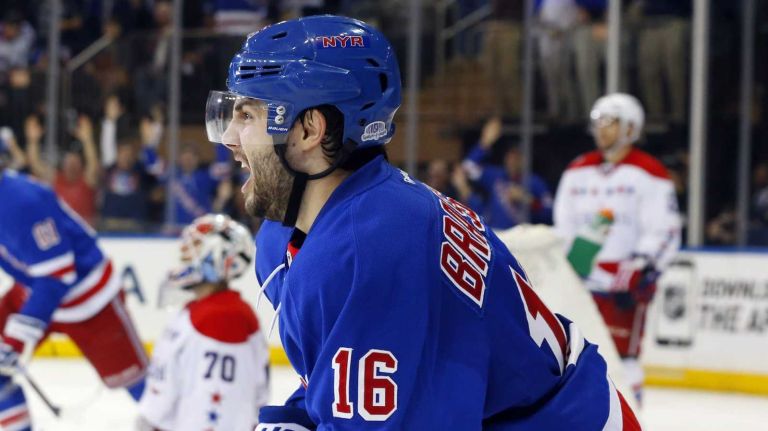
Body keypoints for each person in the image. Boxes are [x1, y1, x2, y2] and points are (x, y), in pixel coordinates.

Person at [210, 15, 640, 429]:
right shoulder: (315, 230)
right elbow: (335, 383)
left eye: (248, 115)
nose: (229, 138)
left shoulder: (375, 250)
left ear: (308, 130)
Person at [0, 147, 147, 431]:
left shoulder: (21, 201)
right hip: (35, 289)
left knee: (140, 386)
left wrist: (14, 342)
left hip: (89, 300)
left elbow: (57, 274)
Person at [553, 93, 682, 404]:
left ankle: (632, 418)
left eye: (610, 122)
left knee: (624, 358)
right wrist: (571, 264)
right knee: (574, 356)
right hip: (580, 278)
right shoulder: (577, 170)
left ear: (630, 128)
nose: (602, 129)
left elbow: (664, 228)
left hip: (623, 280)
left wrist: (644, 266)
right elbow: (563, 225)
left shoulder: (648, 171)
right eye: (598, 122)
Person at [138, 214, 270, 430]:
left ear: (218, 257)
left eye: (195, 247)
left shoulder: (221, 318)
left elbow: (216, 409)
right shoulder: (206, 311)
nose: (184, 256)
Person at [462, 116, 554, 229]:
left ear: (524, 159)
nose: (512, 160)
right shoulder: (496, 176)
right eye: (510, 156)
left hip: (522, 236)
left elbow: (551, 212)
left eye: (517, 156)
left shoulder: (534, 182)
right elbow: (468, 167)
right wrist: (485, 142)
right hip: (496, 233)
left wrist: (529, 200)